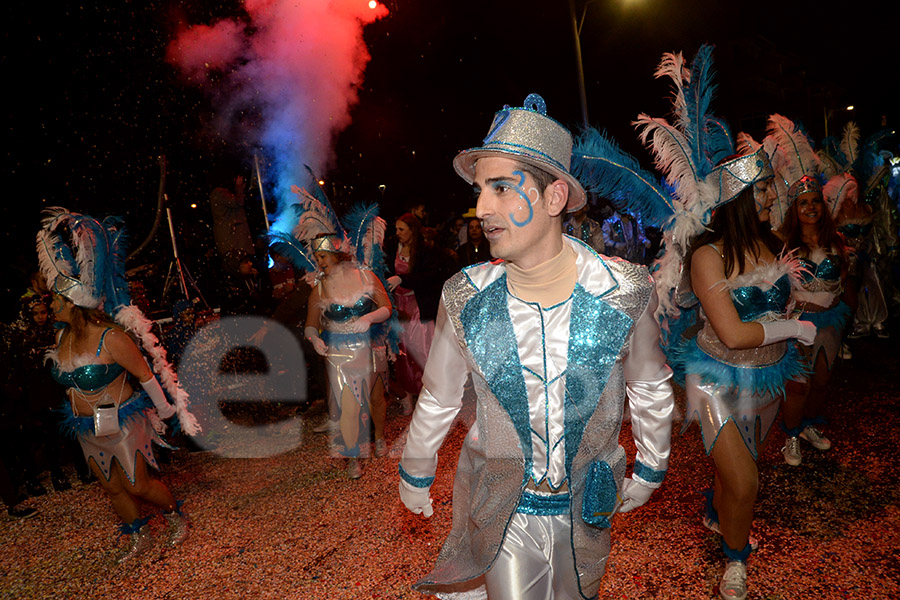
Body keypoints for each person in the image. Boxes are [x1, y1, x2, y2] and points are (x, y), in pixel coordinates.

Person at [398, 94, 674, 599]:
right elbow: (439, 394)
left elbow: (648, 380)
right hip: (502, 509)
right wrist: (418, 465)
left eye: (502, 187)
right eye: (482, 189)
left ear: (553, 199)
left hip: (588, 508)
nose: (482, 208)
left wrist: (653, 461)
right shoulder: (466, 296)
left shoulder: (623, 290)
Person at [680, 154, 815, 600]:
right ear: (735, 198)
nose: (771, 195)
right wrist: (792, 328)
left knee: (732, 470)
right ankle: (735, 558)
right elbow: (735, 335)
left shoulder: (772, 241)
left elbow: (779, 299)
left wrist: (789, 310)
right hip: (715, 383)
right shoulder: (706, 256)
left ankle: (717, 511)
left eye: (769, 187)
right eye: (761, 189)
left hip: (767, 377)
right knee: (745, 480)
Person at [37, 209, 200, 562]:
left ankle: (175, 516)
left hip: (124, 425)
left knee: (137, 484)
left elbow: (144, 374)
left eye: (58, 301)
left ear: (76, 305)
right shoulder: (62, 337)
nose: (52, 306)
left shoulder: (111, 337)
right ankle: (139, 535)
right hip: (86, 427)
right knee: (111, 487)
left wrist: (168, 411)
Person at [304, 234, 392, 479]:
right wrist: (315, 339)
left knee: (376, 397)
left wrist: (368, 318)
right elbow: (310, 325)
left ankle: (380, 437)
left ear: (337, 254)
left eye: (323, 256)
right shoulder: (319, 289)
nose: (319, 262)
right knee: (349, 406)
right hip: (340, 354)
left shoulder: (366, 276)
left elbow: (387, 307)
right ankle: (353, 456)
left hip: (371, 344)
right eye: (316, 257)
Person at [776, 177, 851, 465]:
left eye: (815, 201)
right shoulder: (783, 242)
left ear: (823, 204)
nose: (810, 207)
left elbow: (842, 279)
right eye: (803, 203)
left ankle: (807, 425)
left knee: (821, 380)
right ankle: (791, 436)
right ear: (794, 209)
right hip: (798, 322)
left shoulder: (836, 240)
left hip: (829, 321)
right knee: (798, 384)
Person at [385, 213, 445, 414]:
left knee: (422, 349)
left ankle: (430, 394)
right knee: (402, 351)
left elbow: (431, 276)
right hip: (398, 306)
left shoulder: (426, 251)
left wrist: (404, 279)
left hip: (418, 305)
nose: (398, 233)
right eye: (396, 229)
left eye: (402, 229)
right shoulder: (392, 248)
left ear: (412, 230)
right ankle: (408, 393)